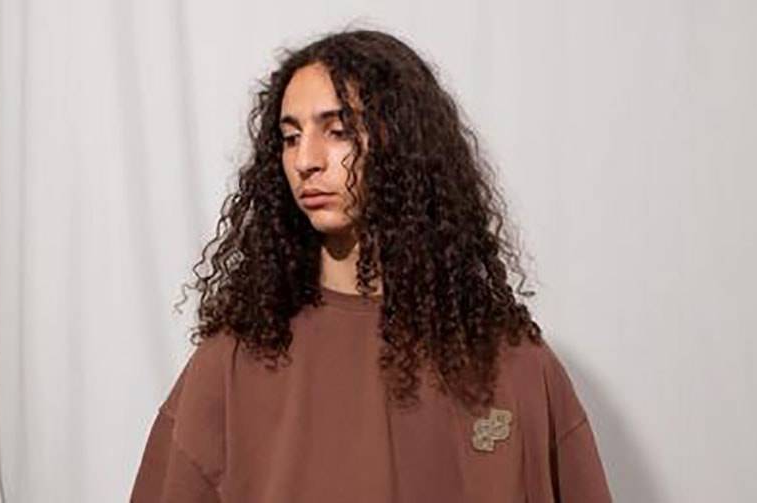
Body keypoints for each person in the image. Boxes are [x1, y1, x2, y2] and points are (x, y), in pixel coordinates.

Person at [130, 27, 612, 502]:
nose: (306, 160)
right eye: (290, 137)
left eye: (338, 131)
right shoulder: (236, 359)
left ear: (401, 142)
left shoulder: (512, 362)